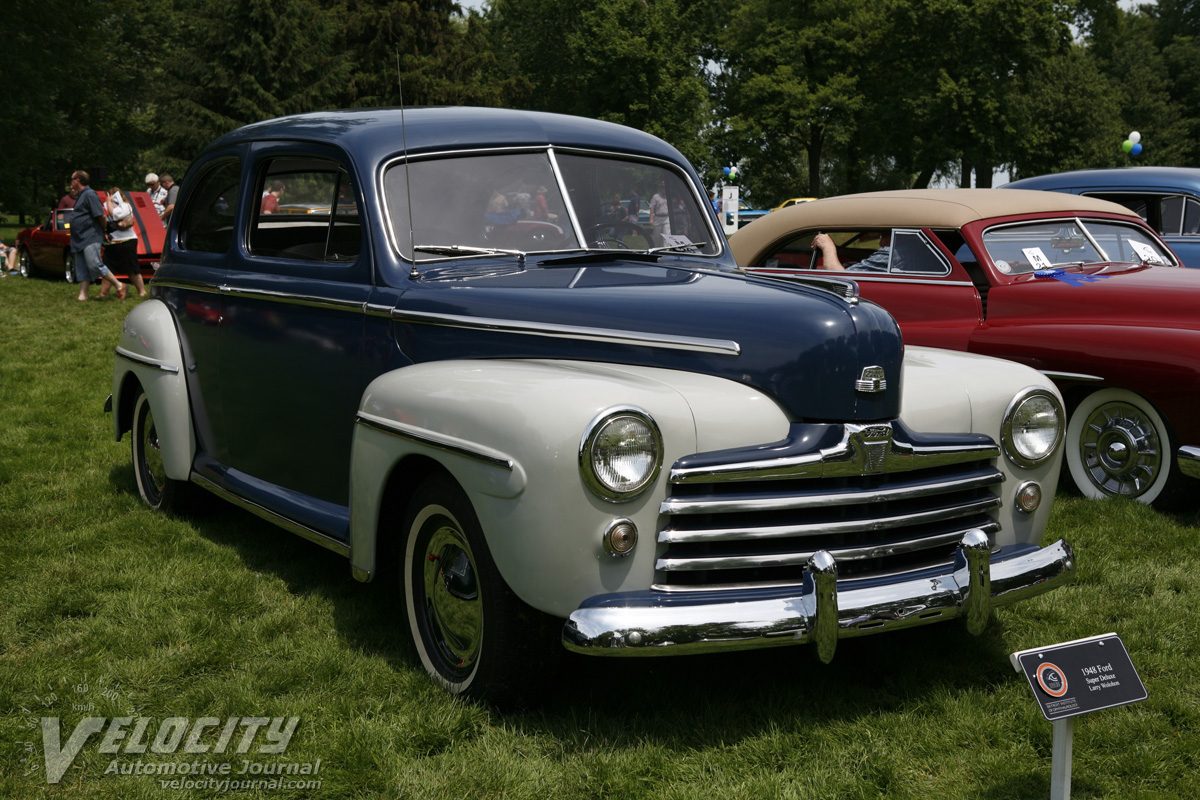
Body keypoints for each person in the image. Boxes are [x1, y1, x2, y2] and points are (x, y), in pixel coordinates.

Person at [68, 170, 124, 301]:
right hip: (78, 237)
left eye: (72, 179)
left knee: (94, 264)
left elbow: (100, 215)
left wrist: (104, 231)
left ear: (77, 180)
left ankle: (119, 284)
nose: (70, 182)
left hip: (90, 236)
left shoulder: (90, 195)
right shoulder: (82, 195)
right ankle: (83, 295)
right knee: (81, 266)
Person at [99, 187, 147, 298]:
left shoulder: (125, 206)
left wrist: (108, 203)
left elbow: (114, 214)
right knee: (107, 267)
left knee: (132, 268)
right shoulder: (105, 207)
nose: (109, 198)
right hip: (112, 241)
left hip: (127, 240)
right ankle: (103, 293)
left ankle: (142, 291)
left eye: (111, 195)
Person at [812, 230, 893, 272]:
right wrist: (842, 251)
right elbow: (872, 256)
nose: (881, 243)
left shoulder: (892, 254)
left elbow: (839, 278)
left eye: (885, 236)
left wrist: (827, 246)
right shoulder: (900, 254)